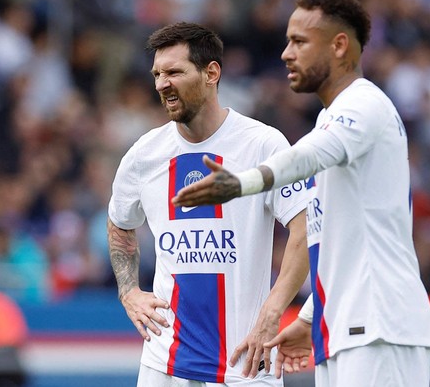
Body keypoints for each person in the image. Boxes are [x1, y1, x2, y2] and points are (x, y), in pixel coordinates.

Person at [173, 0, 430, 386]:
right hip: (346, 328)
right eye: (285, 42)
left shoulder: (363, 105)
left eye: (299, 41)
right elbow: (340, 242)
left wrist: (243, 182)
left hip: (381, 326)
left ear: (339, 45)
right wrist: (313, 316)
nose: (285, 53)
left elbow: (307, 156)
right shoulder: (333, 119)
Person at [107, 22, 311, 386]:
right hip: (165, 363)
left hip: (248, 362)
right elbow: (119, 221)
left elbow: (304, 228)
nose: (160, 84)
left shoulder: (263, 144)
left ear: (211, 73)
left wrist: (272, 312)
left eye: (173, 72)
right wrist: (129, 291)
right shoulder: (145, 155)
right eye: (156, 74)